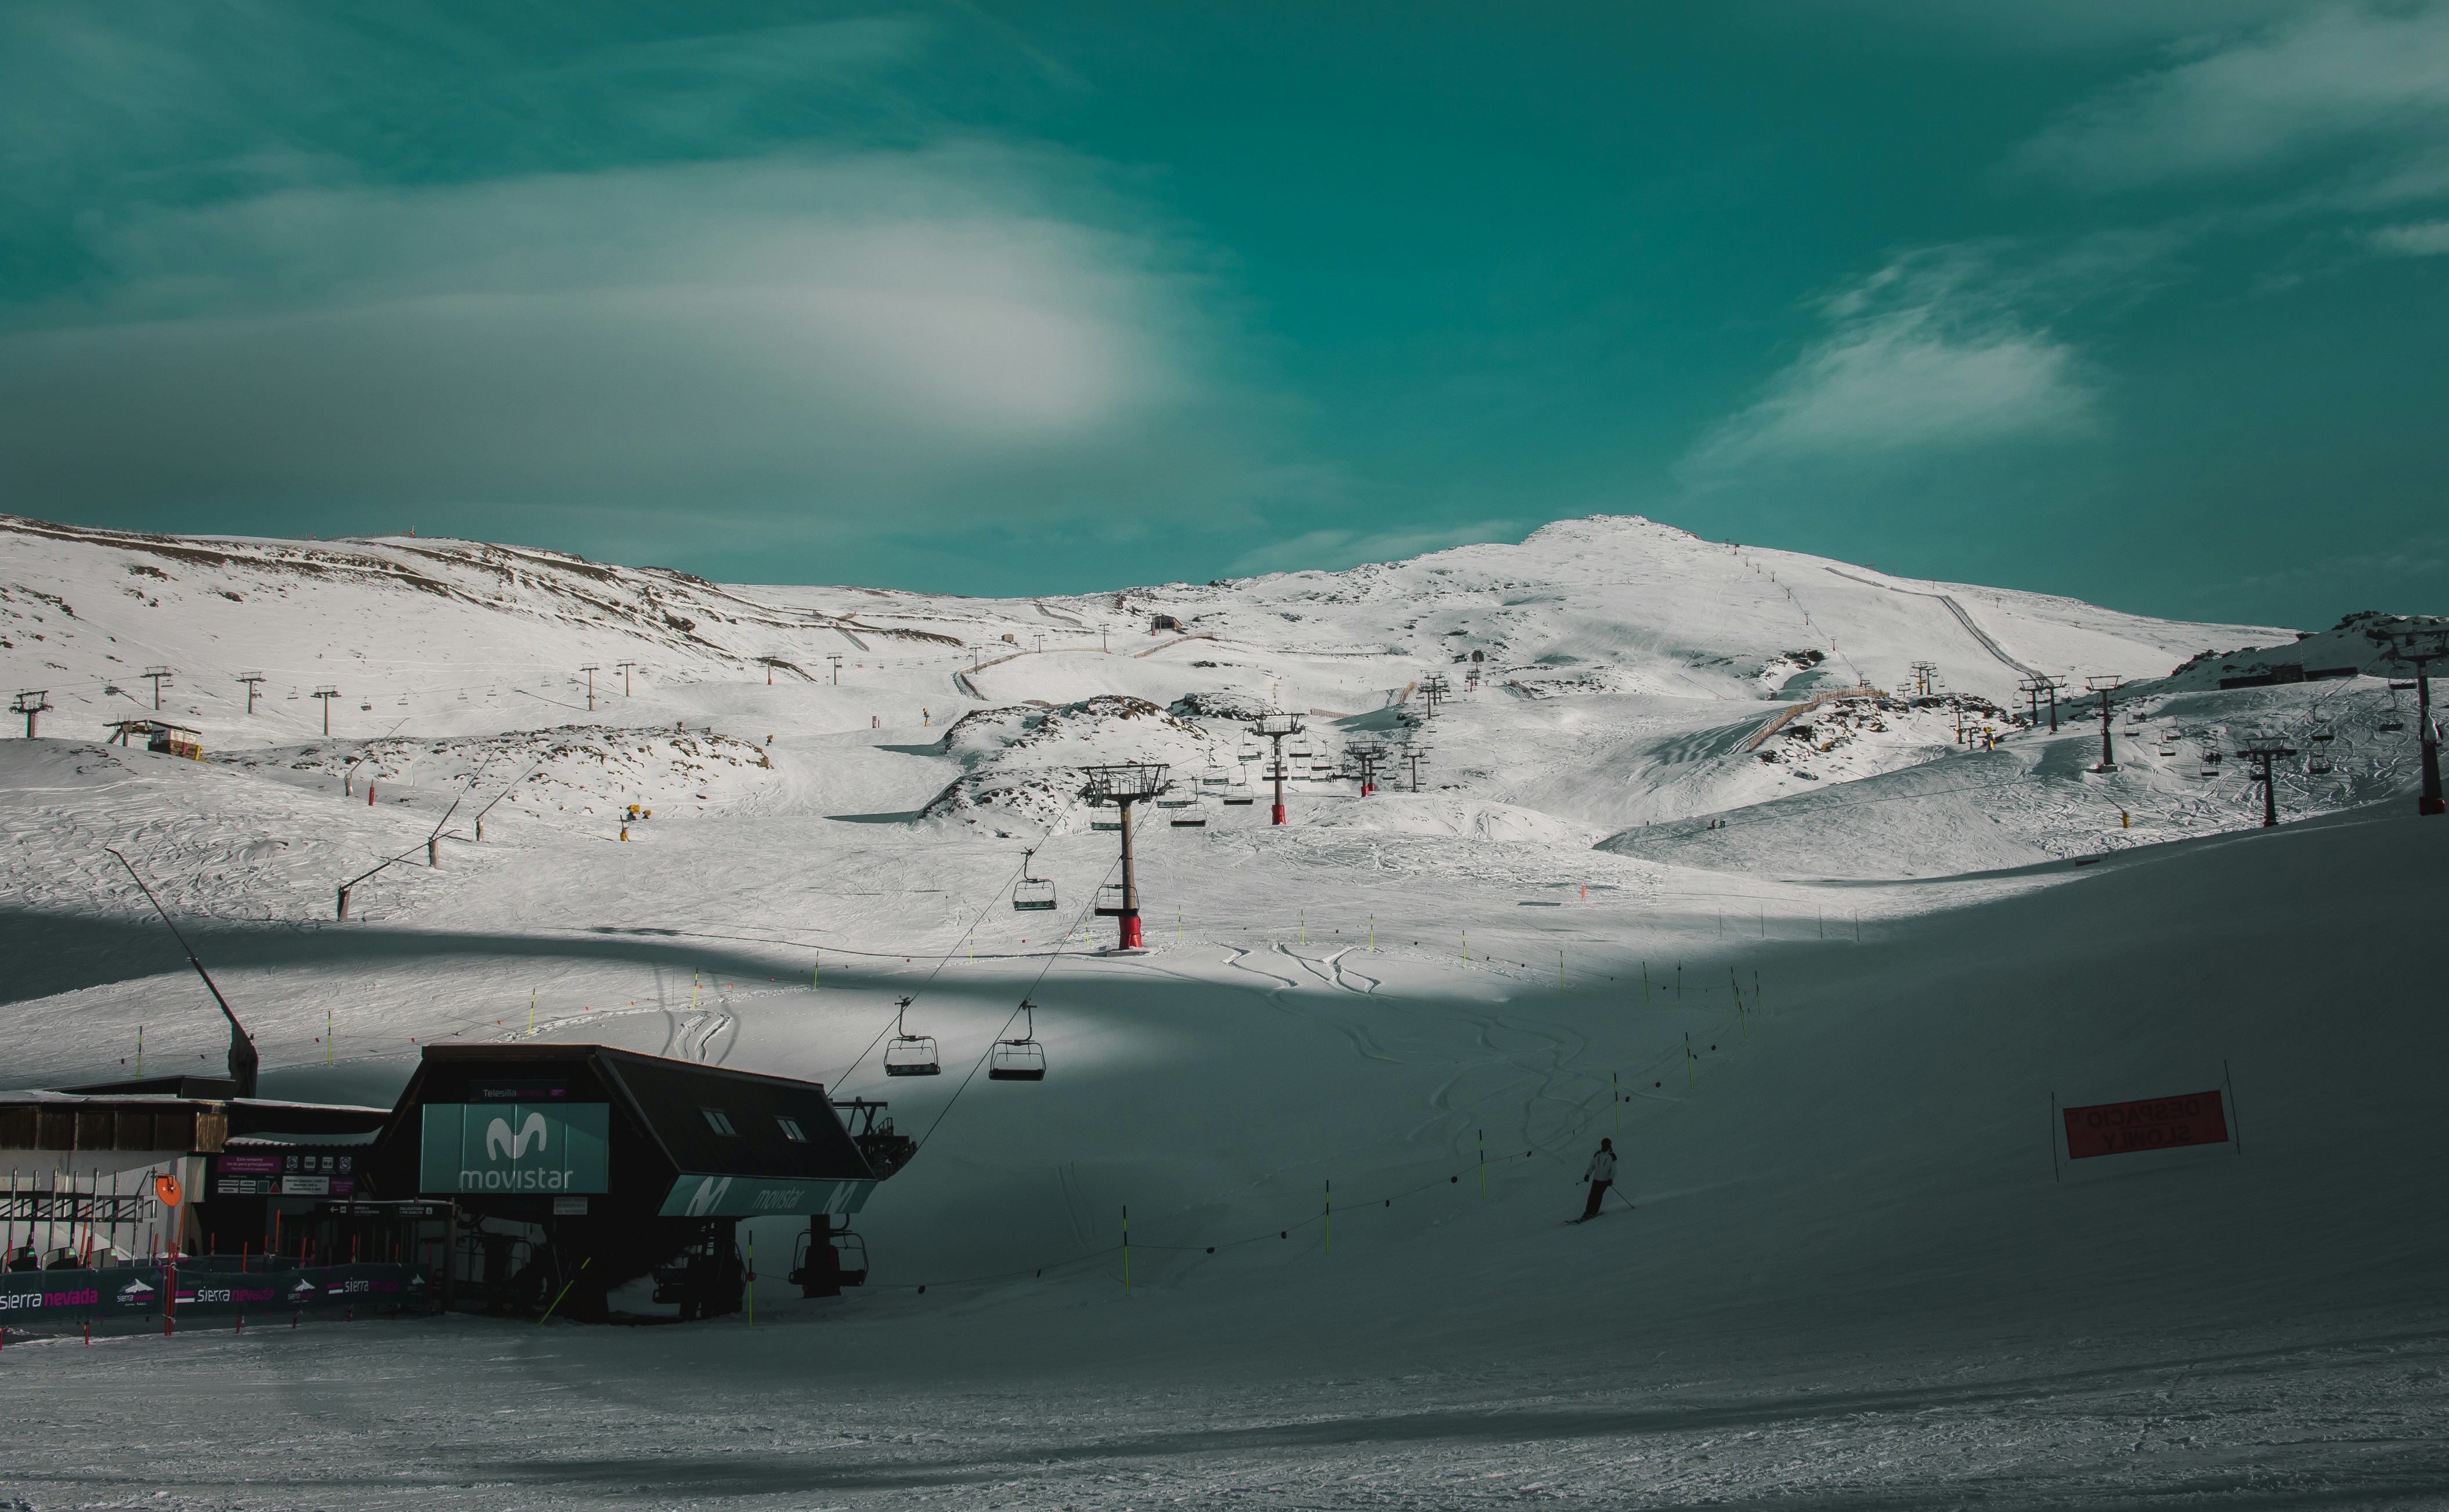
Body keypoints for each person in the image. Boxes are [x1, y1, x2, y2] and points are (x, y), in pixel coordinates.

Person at [1580, 1138, 1616, 1220]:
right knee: (1592, 1195)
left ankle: (1594, 1212)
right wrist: (1588, 1174)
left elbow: (1614, 1170)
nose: (1604, 1147)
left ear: (1609, 1146)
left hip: (1604, 1181)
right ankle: (1588, 1212)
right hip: (1596, 1180)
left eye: (1606, 1145)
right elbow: (1592, 1166)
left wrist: (1611, 1179)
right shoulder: (1597, 1154)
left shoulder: (1612, 1157)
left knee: (1598, 1196)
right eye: (1603, 1145)